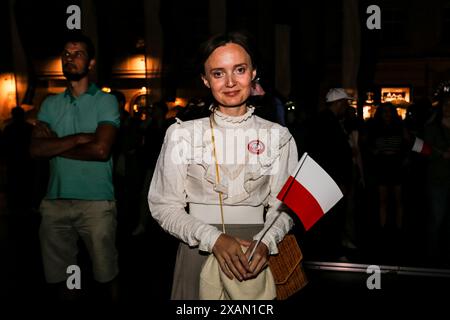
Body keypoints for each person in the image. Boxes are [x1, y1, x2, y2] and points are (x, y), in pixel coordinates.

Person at [148, 31, 298, 300]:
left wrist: (266, 242)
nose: (230, 82)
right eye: (218, 73)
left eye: (239, 70)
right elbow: (163, 205)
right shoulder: (182, 134)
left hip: (256, 253)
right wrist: (213, 238)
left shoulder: (277, 136)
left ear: (253, 74)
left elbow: (284, 206)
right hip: (198, 248)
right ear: (205, 80)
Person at [29, 32, 120, 301]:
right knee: (62, 277)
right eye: (66, 55)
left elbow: (102, 150)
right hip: (54, 202)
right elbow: (36, 150)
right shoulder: (49, 103)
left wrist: (57, 144)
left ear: (90, 63)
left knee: (106, 276)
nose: (70, 59)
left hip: (96, 202)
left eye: (77, 53)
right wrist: (81, 138)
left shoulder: (106, 100)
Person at [424, 94, 450, 264]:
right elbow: (423, 149)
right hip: (438, 178)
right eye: (446, 105)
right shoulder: (432, 127)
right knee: (437, 217)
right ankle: (433, 252)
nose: (448, 108)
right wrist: (441, 153)